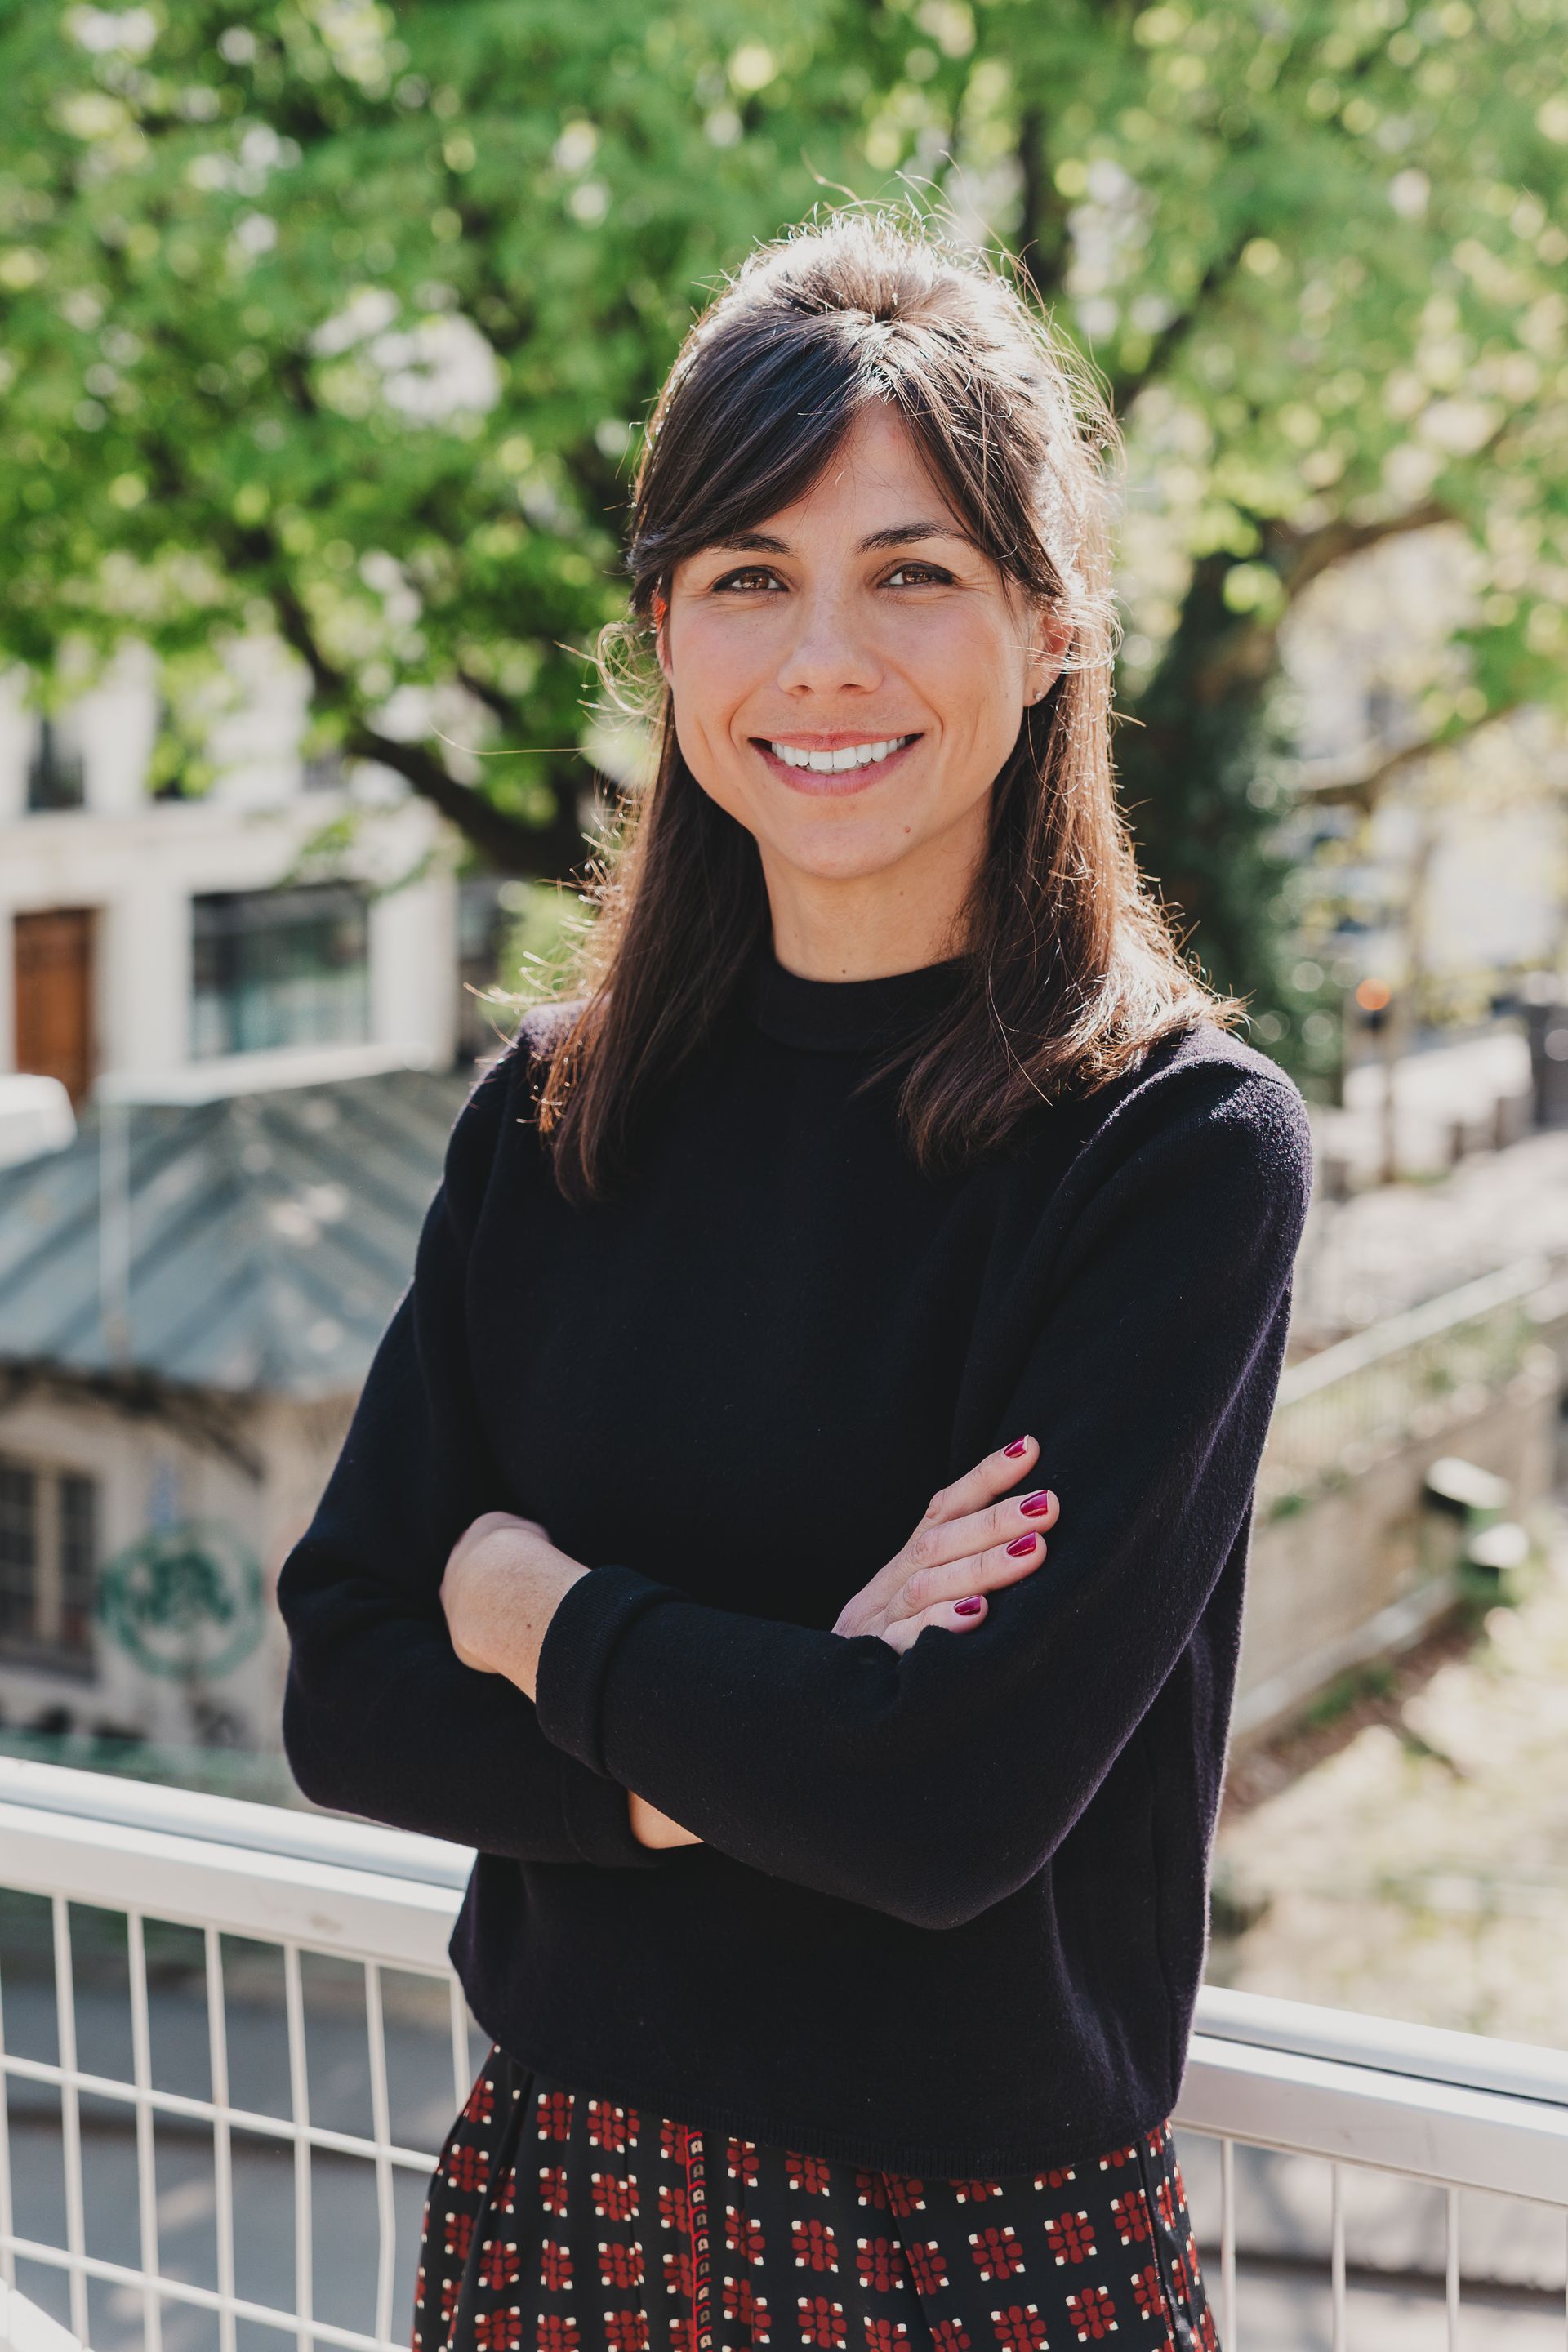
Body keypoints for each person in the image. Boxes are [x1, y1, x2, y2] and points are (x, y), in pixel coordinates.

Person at [276, 211, 1312, 2352]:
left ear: (1048, 627)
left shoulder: (1174, 1155)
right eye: (750, 577)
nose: (823, 660)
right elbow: (343, 1689)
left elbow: (938, 1812)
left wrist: (533, 1614)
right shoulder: (553, 1122)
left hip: (984, 2251)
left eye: (911, 573)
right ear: (667, 637)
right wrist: (762, 1721)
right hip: (561, 2200)